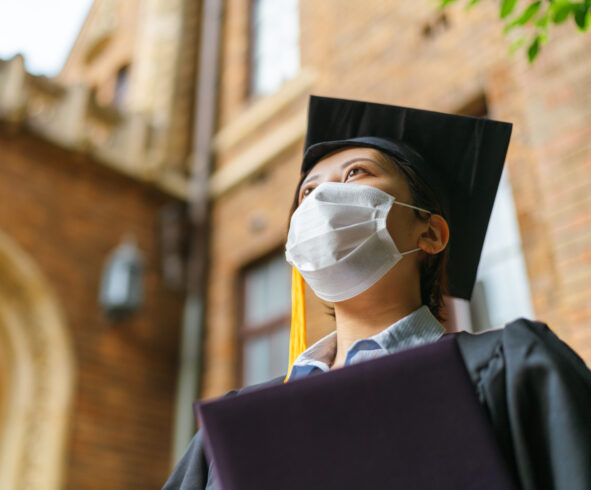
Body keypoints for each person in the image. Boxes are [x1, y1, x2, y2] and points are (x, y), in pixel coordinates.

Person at [163, 96, 591, 490]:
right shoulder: (233, 433)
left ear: (430, 232)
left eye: (356, 173)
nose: (321, 201)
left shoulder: (511, 368)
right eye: (307, 192)